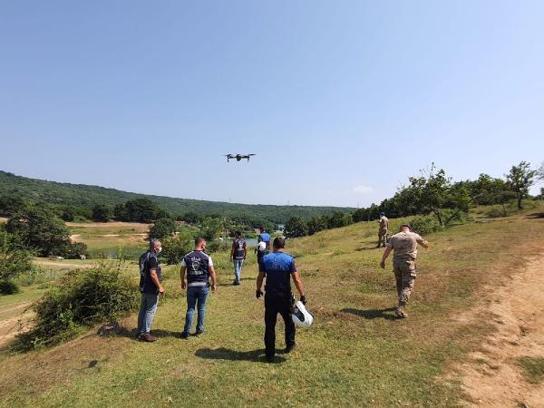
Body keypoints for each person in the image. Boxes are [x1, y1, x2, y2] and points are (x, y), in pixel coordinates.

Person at [256, 237, 306, 362]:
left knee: (270, 324)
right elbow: (296, 278)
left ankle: (269, 353)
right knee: (289, 322)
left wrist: (258, 289)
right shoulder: (289, 259)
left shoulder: (265, 259)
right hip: (285, 297)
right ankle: (289, 345)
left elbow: (260, 276)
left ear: (273, 246)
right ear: (283, 246)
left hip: (271, 297)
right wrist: (302, 295)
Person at [380, 224, 429, 318]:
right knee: (407, 285)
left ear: (400, 229)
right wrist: (426, 244)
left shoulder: (394, 237)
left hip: (396, 264)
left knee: (399, 283)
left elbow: (387, 250)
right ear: (409, 229)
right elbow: (425, 244)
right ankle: (400, 308)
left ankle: (400, 302)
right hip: (407, 263)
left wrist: (383, 261)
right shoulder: (414, 235)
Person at [180, 237, 217, 339]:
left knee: (190, 308)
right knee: (201, 308)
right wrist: (214, 283)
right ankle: (199, 329)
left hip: (191, 286)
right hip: (203, 286)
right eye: (204, 244)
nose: (205, 246)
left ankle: (186, 332)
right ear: (201, 244)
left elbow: (182, 269)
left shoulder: (187, 256)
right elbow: (212, 271)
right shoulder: (206, 257)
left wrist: (182, 281)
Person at [137, 239, 165, 342]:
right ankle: (146, 333)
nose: (160, 248)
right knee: (150, 310)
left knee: (143, 310)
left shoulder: (143, 256)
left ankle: (140, 332)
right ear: (155, 248)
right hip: (151, 288)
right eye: (159, 246)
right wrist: (160, 286)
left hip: (143, 286)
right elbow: (153, 274)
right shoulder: (153, 258)